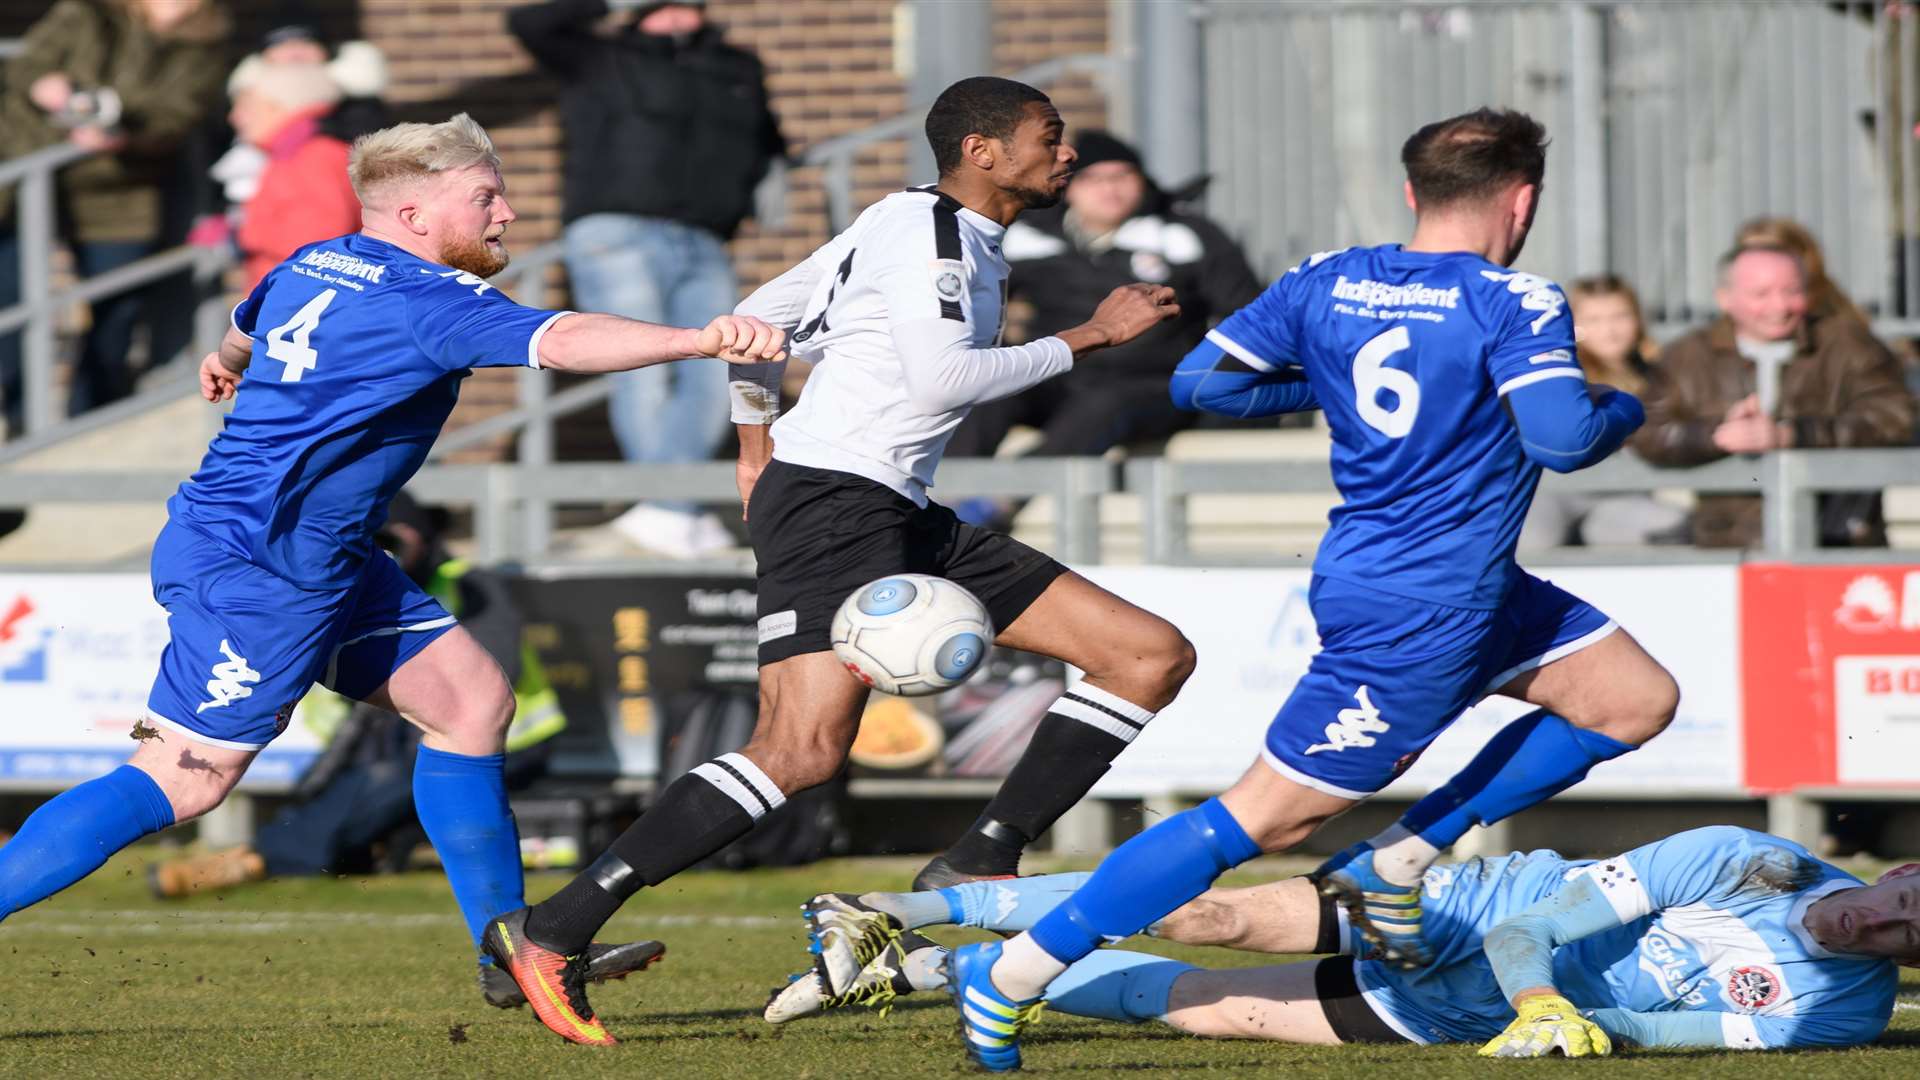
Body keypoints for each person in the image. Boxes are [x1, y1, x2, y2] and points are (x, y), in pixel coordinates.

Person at [944, 107, 1679, 1072]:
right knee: (1260, 819)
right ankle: (1015, 974)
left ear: (1413, 192)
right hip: (1419, 607)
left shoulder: (1328, 277)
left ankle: (1398, 860)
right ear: (1524, 197)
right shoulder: (1518, 299)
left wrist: (1326, 387)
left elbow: (1203, 386)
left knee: (1630, 698)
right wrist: (1626, 402)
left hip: (1453, 582)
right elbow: (1563, 439)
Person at [0, 113, 783, 1019]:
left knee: (470, 703)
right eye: (485, 196)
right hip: (265, 564)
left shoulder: (313, 261)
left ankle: (515, 952)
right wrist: (699, 340)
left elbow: (243, 326)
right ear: (413, 214)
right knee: (187, 779)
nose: (508, 214)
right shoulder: (427, 300)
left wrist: (223, 364)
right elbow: (563, 340)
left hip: (314, 553)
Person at [480, 76, 1191, 1048]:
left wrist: (751, 445)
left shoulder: (923, 227)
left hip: (886, 503)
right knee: (799, 751)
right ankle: (554, 931)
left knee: (1146, 655)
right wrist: (1094, 336)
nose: (1067, 154)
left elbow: (756, 320)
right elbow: (946, 376)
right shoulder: (930, 234)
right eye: (1051, 137)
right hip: (834, 504)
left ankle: (980, 853)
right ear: (983, 151)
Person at [777, 826, 1910, 1055]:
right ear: (1906, 867)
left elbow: (1659, 1031)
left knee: (1184, 1004)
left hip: (1449, 1012)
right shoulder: (1743, 855)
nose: (1888, 923)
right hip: (1467, 919)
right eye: (1910, 899)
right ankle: (907, 914)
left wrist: (1573, 1027)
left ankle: (931, 968)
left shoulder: (1844, 1015)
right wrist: (1541, 1004)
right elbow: (1536, 928)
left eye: (1911, 941)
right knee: (1203, 915)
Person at [507, 0, 786, 558]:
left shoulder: (735, 65)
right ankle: (670, 510)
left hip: (705, 236)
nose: (676, 15)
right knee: (642, 371)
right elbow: (530, 24)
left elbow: (767, 137)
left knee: (720, 371)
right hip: (618, 231)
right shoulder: (602, 54)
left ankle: (667, 512)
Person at [945, 131, 1262, 498]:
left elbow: (1248, 314)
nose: (1110, 190)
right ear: (1069, 187)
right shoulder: (1028, 238)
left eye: (1122, 177)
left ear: (1142, 182)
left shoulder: (1185, 235)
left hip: (1153, 385)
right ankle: (943, 497)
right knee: (991, 389)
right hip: (1061, 374)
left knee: (1106, 403)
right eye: (1094, 179)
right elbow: (968, 305)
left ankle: (1000, 503)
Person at [0, 0, 231, 432]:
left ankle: (92, 418)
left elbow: (177, 116)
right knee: (14, 299)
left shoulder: (205, 41)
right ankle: (19, 419)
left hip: (122, 187)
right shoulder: (86, 12)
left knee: (115, 309)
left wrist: (125, 131)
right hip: (25, 177)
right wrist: (46, 86)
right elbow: (24, 68)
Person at [1633, 244, 1915, 548]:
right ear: (1725, 299)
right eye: (1761, 294)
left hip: (1839, 540)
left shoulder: (1849, 346)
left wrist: (1794, 435)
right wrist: (1715, 435)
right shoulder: (1687, 356)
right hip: (1728, 547)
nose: (1779, 306)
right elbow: (1645, 429)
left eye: (1792, 291)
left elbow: (1896, 416)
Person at [1517, 275, 1688, 549]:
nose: (1609, 330)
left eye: (1620, 316)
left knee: (1651, 528)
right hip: (1552, 492)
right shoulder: (1562, 372)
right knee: (1534, 539)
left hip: (1625, 493)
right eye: (1593, 320)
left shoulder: (1662, 374)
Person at [225, 61, 361, 288]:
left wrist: (246, 232)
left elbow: (316, 246)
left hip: (296, 304)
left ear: (279, 107)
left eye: (246, 107)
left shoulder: (311, 157)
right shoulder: (298, 152)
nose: (235, 117)